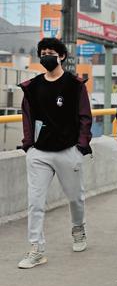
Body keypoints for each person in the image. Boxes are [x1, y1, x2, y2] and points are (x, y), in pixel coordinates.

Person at [17, 38, 92, 269]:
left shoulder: (74, 84)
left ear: (61, 56)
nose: (46, 56)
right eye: (43, 52)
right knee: (35, 202)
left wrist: (80, 146)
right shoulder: (32, 86)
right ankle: (36, 248)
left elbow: (85, 117)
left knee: (75, 198)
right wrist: (29, 146)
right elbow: (27, 117)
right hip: (39, 154)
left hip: (68, 150)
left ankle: (78, 228)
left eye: (51, 52)